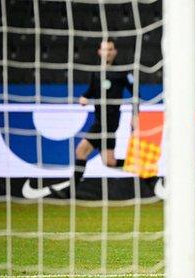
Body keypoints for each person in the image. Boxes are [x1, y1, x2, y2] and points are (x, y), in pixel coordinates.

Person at [52, 38, 135, 198]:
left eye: (110, 49)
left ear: (115, 52)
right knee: (109, 162)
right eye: (105, 49)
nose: (108, 52)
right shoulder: (97, 72)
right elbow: (91, 90)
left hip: (109, 121)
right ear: (99, 52)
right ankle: (144, 169)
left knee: (81, 151)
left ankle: (69, 193)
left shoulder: (123, 71)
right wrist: (84, 96)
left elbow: (136, 93)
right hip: (100, 119)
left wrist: (135, 115)